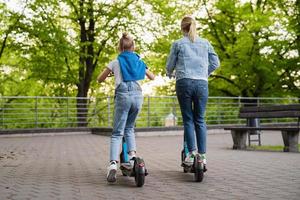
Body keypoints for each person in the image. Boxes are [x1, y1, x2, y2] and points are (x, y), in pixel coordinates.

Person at [97, 33, 155, 183]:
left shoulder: (116, 62)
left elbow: (99, 79)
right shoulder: (138, 60)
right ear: (133, 47)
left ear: (120, 47)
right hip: (137, 96)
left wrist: (110, 73)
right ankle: (134, 158)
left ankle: (113, 165)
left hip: (123, 96)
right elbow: (152, 76)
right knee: (129, 129)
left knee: (117, 133)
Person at [166, 16, 220, 169]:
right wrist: (204, 73)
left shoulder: (178, 44)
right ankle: (202, 156)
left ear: (182, 27)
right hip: (202, 84)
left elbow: (170, 65)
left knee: (188, 119)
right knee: (200, 120)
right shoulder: (205, 43)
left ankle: (192, 154)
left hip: (184, 82)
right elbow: (216, 63)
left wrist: (170, 73)